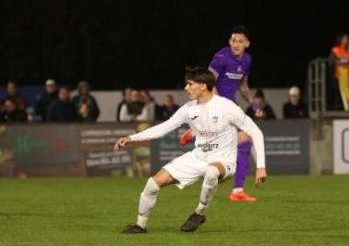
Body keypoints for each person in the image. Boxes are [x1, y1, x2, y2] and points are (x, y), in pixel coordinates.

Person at [114, 67, 267, 234]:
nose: (186, 88)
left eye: (190, 84)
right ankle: (140, 226)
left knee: (211, 171)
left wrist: (260, 166)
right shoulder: (188, 108)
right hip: (197, 157)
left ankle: (199, 213)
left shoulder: (226, 107)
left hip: (224, 160)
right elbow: (164, 127)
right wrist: (131, 138)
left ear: (203, 86)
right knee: (152, 184)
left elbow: (255, 131)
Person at [205, 25, 258, 202]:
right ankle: (194, 133)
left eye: (240, 41)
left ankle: (237, 191)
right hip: (215, 103)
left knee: (244, 142)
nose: (236, 44)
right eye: (233, 40)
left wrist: (253, 103)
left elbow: (243, 86)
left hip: (231, 106)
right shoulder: (222, 56)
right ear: (229, 41)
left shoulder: (247, 60)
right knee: (236, 143)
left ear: (247, 44)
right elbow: (209, 83)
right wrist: (220, 104)